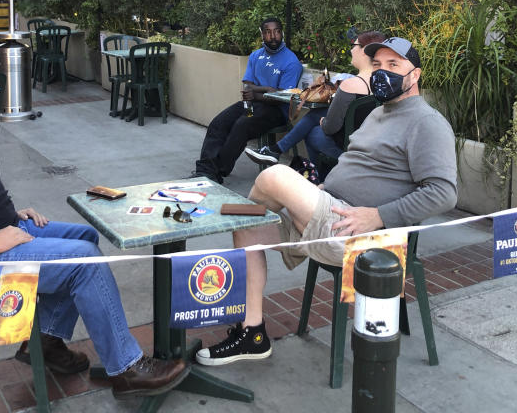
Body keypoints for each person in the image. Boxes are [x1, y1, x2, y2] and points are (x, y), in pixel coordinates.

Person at [0, 53, 190, 399]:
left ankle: (47, 340)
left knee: (86, 235)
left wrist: (8, 213)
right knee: (84, 262)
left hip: (2, 231)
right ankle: (126, 367)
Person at [195, 37, 457, 366]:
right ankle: (253, 332)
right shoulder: (379, 114)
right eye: (377, 65)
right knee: (249, 228)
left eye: (394, 66)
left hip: (364, 239)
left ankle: (251, 225)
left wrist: (378, 215)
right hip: (330, 213)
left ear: (414, 75)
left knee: (272, 176)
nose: (382, 73)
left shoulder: (427, 123)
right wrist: (320, 188)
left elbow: (444, 192)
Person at [244, 30, 386, 169]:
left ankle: (318, 177)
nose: (351, 51)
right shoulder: (385, 83)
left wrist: (324, 122)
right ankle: (276, 150)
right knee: (317, 115)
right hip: (373, 148)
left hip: (348, 150)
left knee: (312, 132)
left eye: (353, 46)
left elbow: (331, 127)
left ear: (364, 51)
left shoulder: (350, 85)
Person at [192, 17, 302, 183]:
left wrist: (257, 92)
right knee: (219, 122)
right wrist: (266, 89)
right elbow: (247, 87)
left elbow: (281, 97)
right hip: (251, 105)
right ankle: (205, 171)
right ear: (262, 34)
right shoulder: (256, 56)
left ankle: (217, 171)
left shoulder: (291, 61)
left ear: (282, 33)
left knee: (242, 125)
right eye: (268, 32)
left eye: (277, 32)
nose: (273, 36)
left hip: (275, 111)